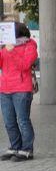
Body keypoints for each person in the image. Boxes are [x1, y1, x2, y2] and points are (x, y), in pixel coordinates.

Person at [1, 22, 38, 162]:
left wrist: (12, 51)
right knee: (9, 122)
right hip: (5, 89)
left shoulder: (30, 45)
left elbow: (24, 65)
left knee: (23, 120)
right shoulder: (5, 46)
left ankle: (27, 149)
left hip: (21, 89)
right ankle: (15, 147)